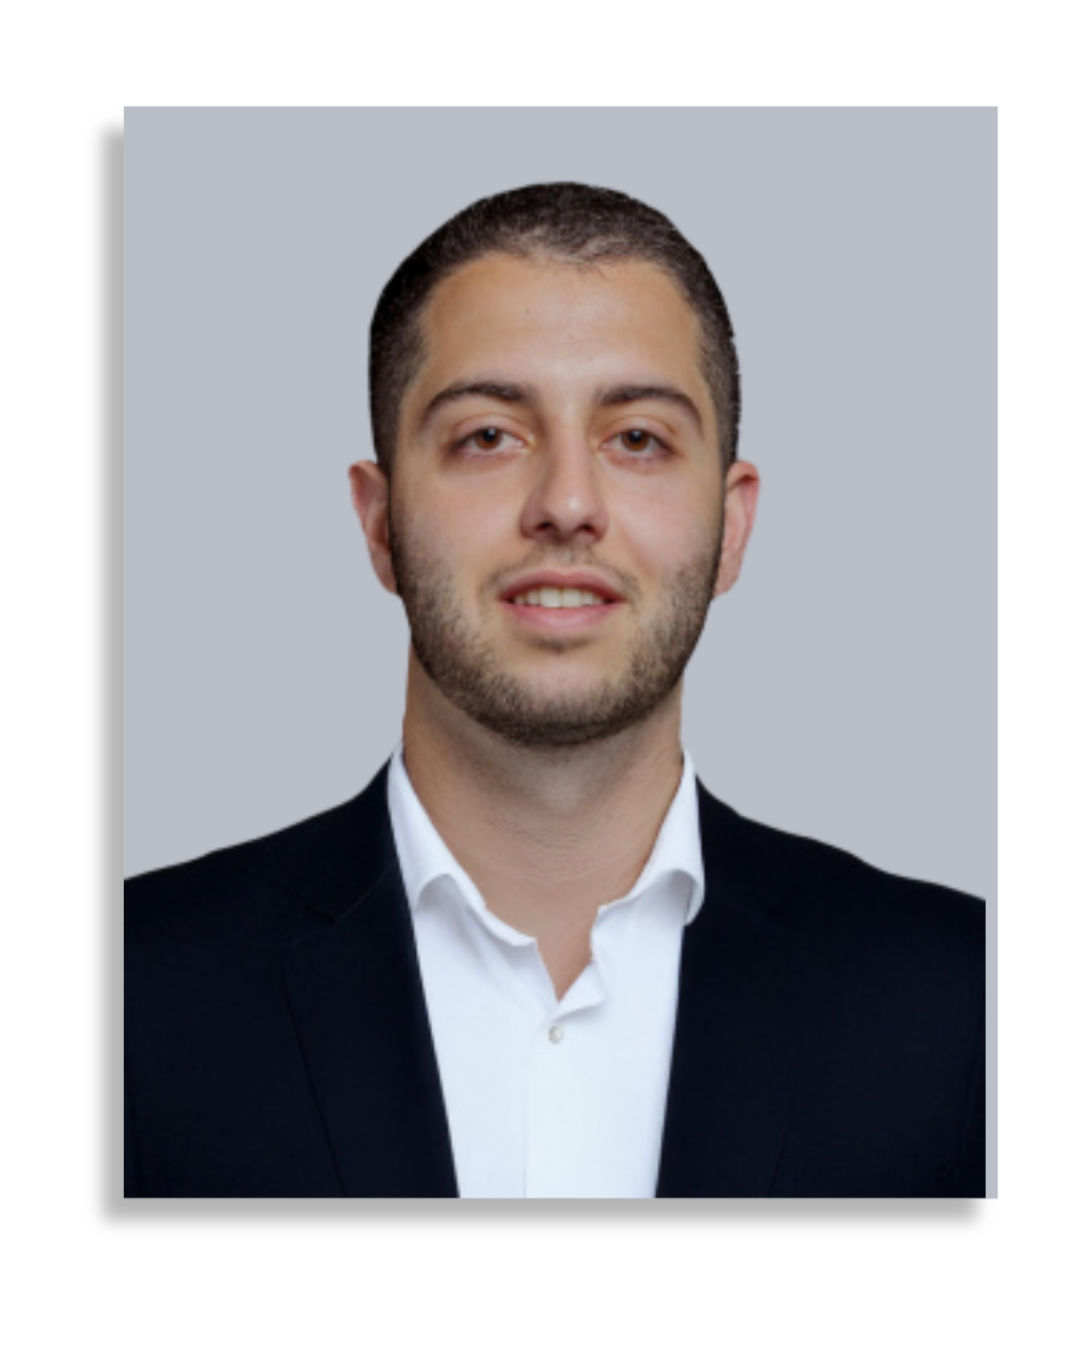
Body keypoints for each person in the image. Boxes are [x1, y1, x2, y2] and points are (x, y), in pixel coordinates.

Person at [123, 183, 985, 1199]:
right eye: (489, 436)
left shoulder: (977, 1011)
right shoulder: (143, 997)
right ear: (379, 521)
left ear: (732, 526)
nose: (568, 504)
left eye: (638, 440)